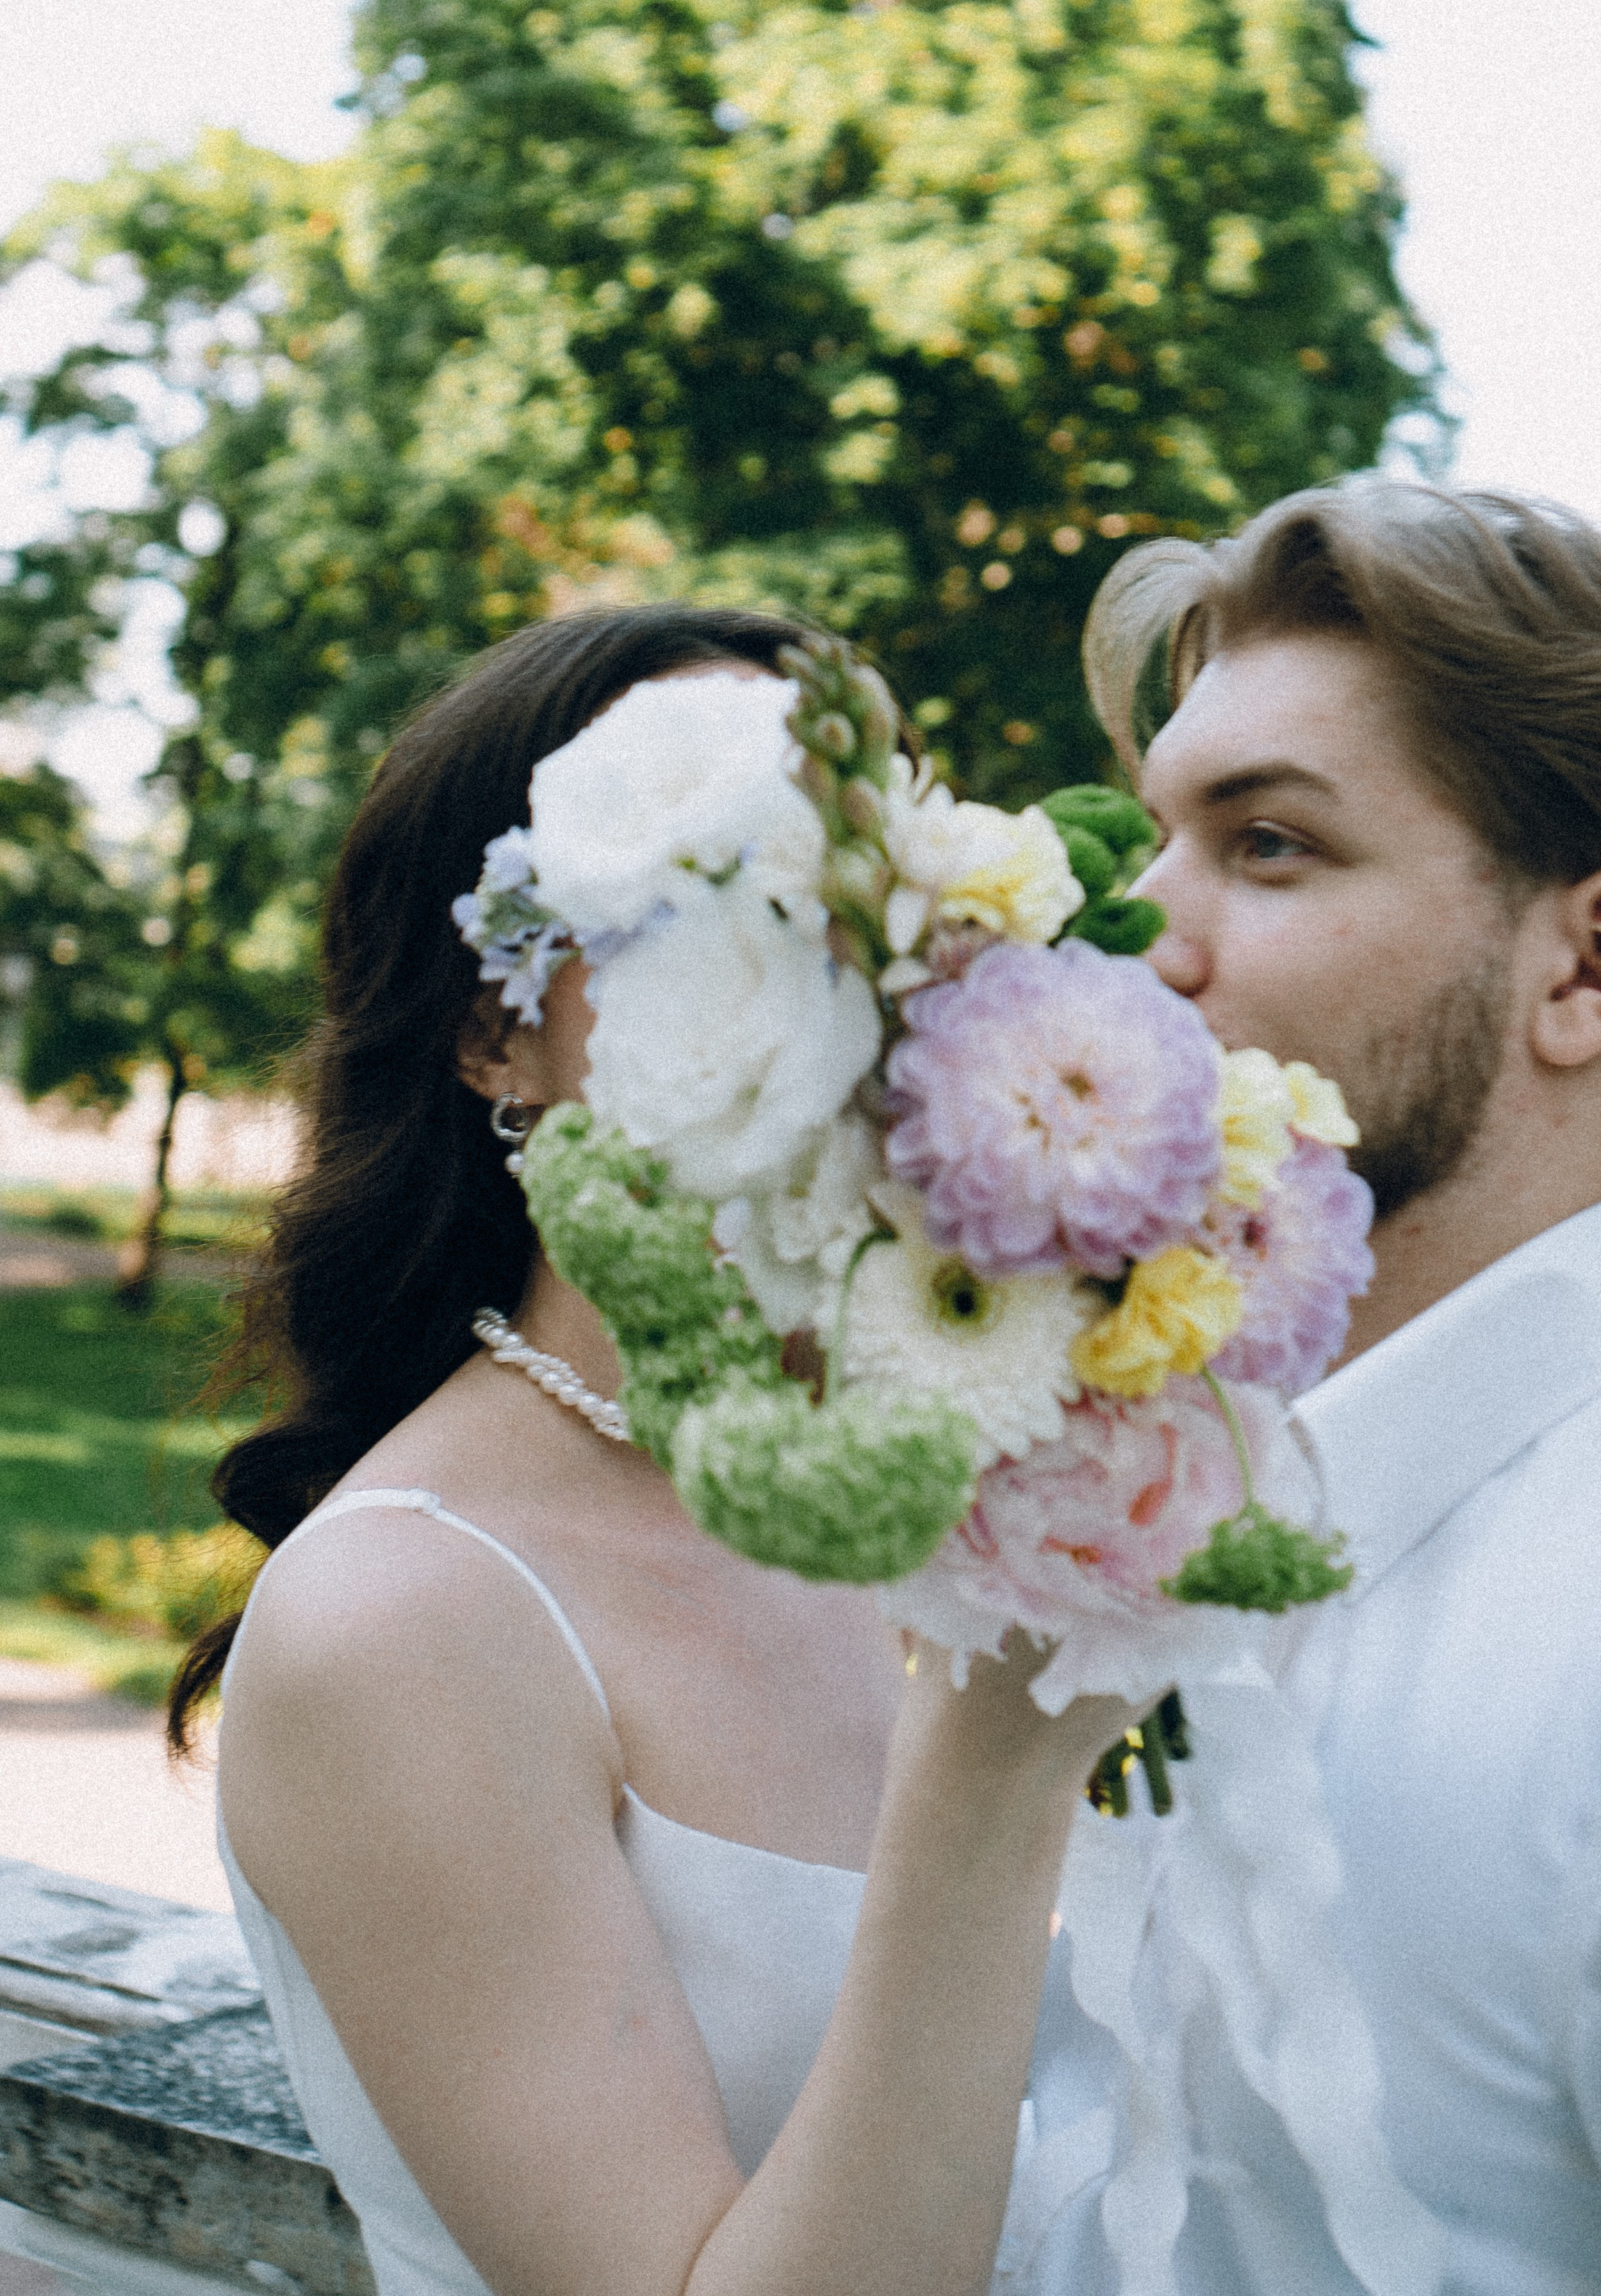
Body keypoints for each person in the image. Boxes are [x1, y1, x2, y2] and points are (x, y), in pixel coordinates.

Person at [174, 605, 1142, 2296]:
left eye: (861, 892)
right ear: (498, 1031)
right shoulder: (402, 1619)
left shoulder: (971, 1461)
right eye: (714, 898)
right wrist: (997, 1757)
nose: (825, 964)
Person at [1085, 478, 1601, 2291]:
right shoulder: (1147, 1498)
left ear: (1596, 962)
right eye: (1159, 838)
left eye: (1269, 847)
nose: (1139, 931)